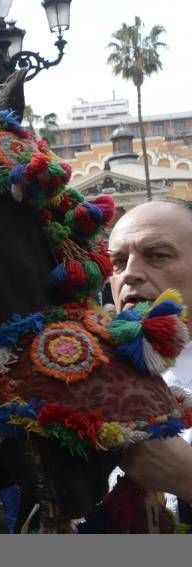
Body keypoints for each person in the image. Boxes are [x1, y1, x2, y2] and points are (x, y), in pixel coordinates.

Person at [108, 198, 192, 521]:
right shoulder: (84, 379)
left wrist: (185, 477)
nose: (129, 275)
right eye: (117, 262)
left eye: (157, 256)